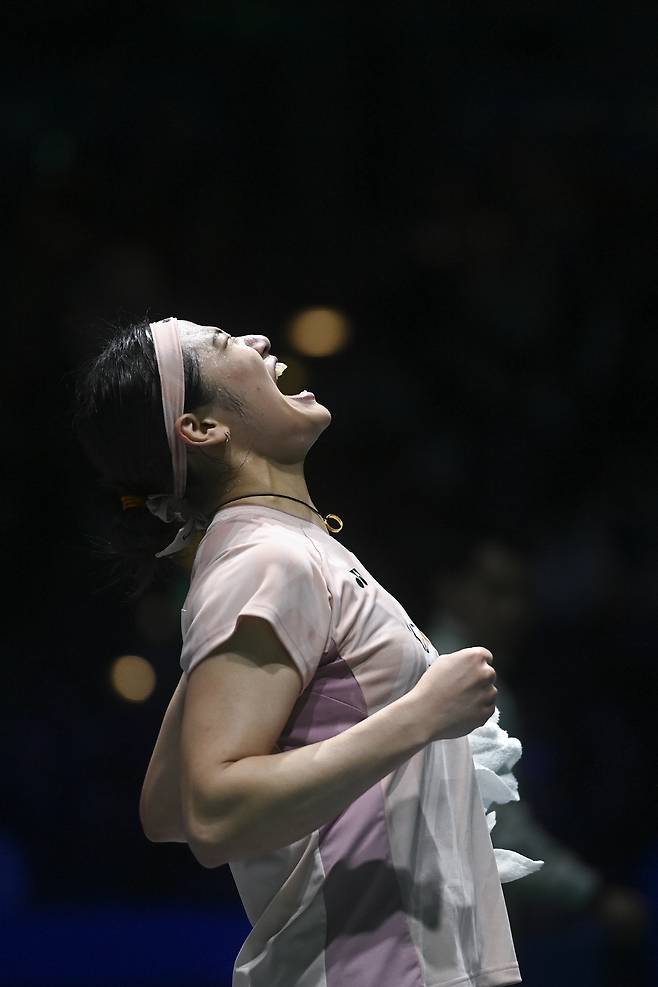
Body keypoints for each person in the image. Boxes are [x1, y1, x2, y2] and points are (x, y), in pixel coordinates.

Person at [73, 316, 539, 987]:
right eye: (229, 344)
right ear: (202, 428)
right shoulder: (267, 558)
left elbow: (166, 805)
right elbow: (210, 810)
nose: (260, 340)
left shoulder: (274, 548)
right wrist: (424, 715)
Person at [423, 531, 651, 958]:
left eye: (520, 594)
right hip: (444, 932)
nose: (512, 610)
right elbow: (498, 832)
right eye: (494, 591)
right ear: (450, 588)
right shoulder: (461, 681)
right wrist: (595, 896)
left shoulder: (432, 665)